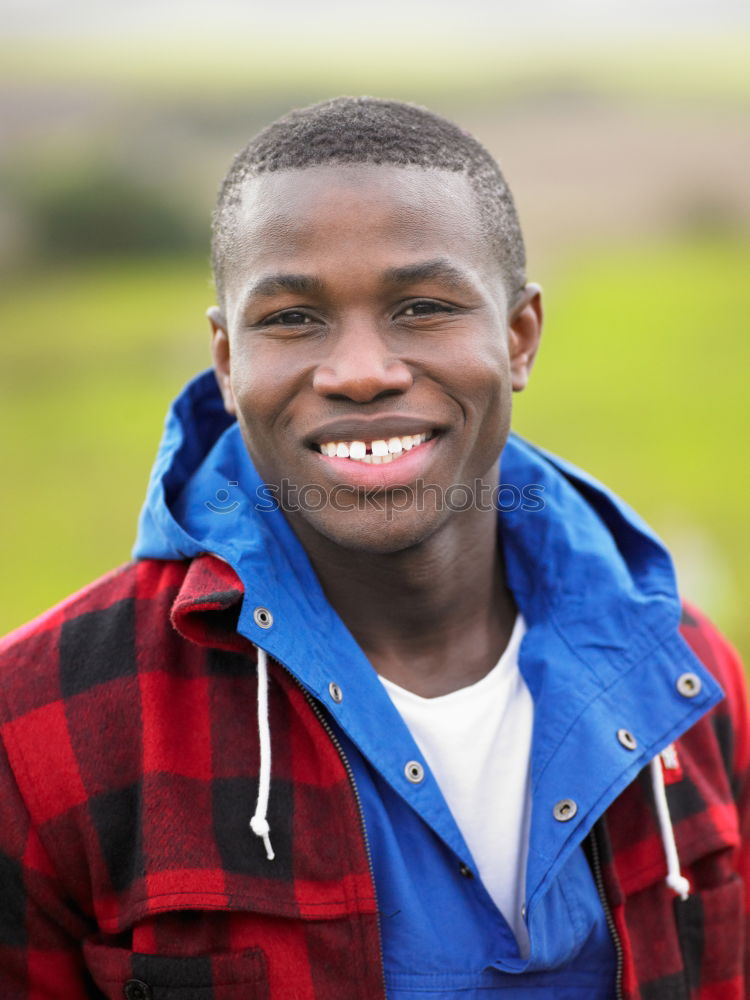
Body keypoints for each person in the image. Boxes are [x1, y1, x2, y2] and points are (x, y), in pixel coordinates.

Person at [0, 97, 747, 1000]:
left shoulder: (684, 676)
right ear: (227, 360)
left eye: (423, 307)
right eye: (291, 319)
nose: (360, 371)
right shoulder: (40, 723)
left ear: (518, 338)